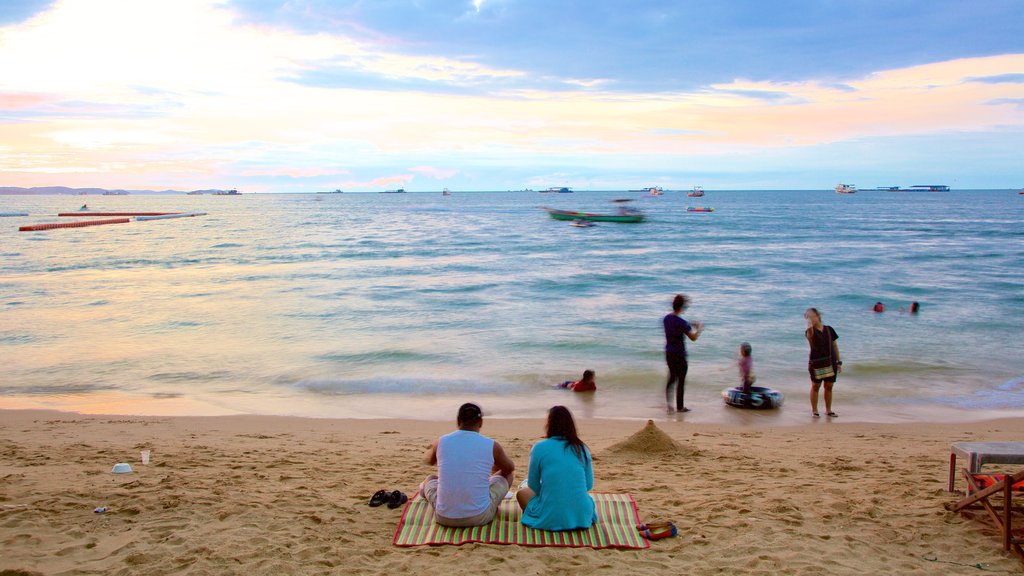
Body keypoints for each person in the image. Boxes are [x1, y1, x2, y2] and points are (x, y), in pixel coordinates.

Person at [420, 403, 515, 527]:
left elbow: (431, 461)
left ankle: (425, 492)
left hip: (443, 517)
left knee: (430, 479)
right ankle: (488, 503)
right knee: (508, 475)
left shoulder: (441, 441)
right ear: (480, 422)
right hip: (479, 517)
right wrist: (493, 465)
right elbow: (509, 468)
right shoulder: (491, 445)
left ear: (458, 421)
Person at [516, 406, 596, 531]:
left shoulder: (539, 448)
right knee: (587, 499)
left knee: (522, 492)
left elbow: (534, 485)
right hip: (581, 517)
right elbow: (589, 485)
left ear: (549, 424)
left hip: (550, 516)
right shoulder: (581, 448)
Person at [663, 293, 703, 413]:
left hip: (669, 353)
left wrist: (687, 324)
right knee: (681, 381)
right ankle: (680, 407)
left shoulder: (666, 319)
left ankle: (669, 407)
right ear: (682, 307)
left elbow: (675, 324)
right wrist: (699, 328)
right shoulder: (682, 323)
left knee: (671, 378)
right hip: (680, 355)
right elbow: (693, 338)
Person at [805, 308, 841, 418]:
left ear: (818, 315)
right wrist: (810, 325)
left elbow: (835, 345)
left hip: (830, 361)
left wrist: (839, 362)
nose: (810, 318)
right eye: (808, 317)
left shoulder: (829, 329)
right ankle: (814, 410)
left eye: (812, 316)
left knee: (829, 386)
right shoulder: (809, 331)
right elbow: (810, 339)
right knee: (816, 386)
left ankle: (828, 410)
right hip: (816, 363)